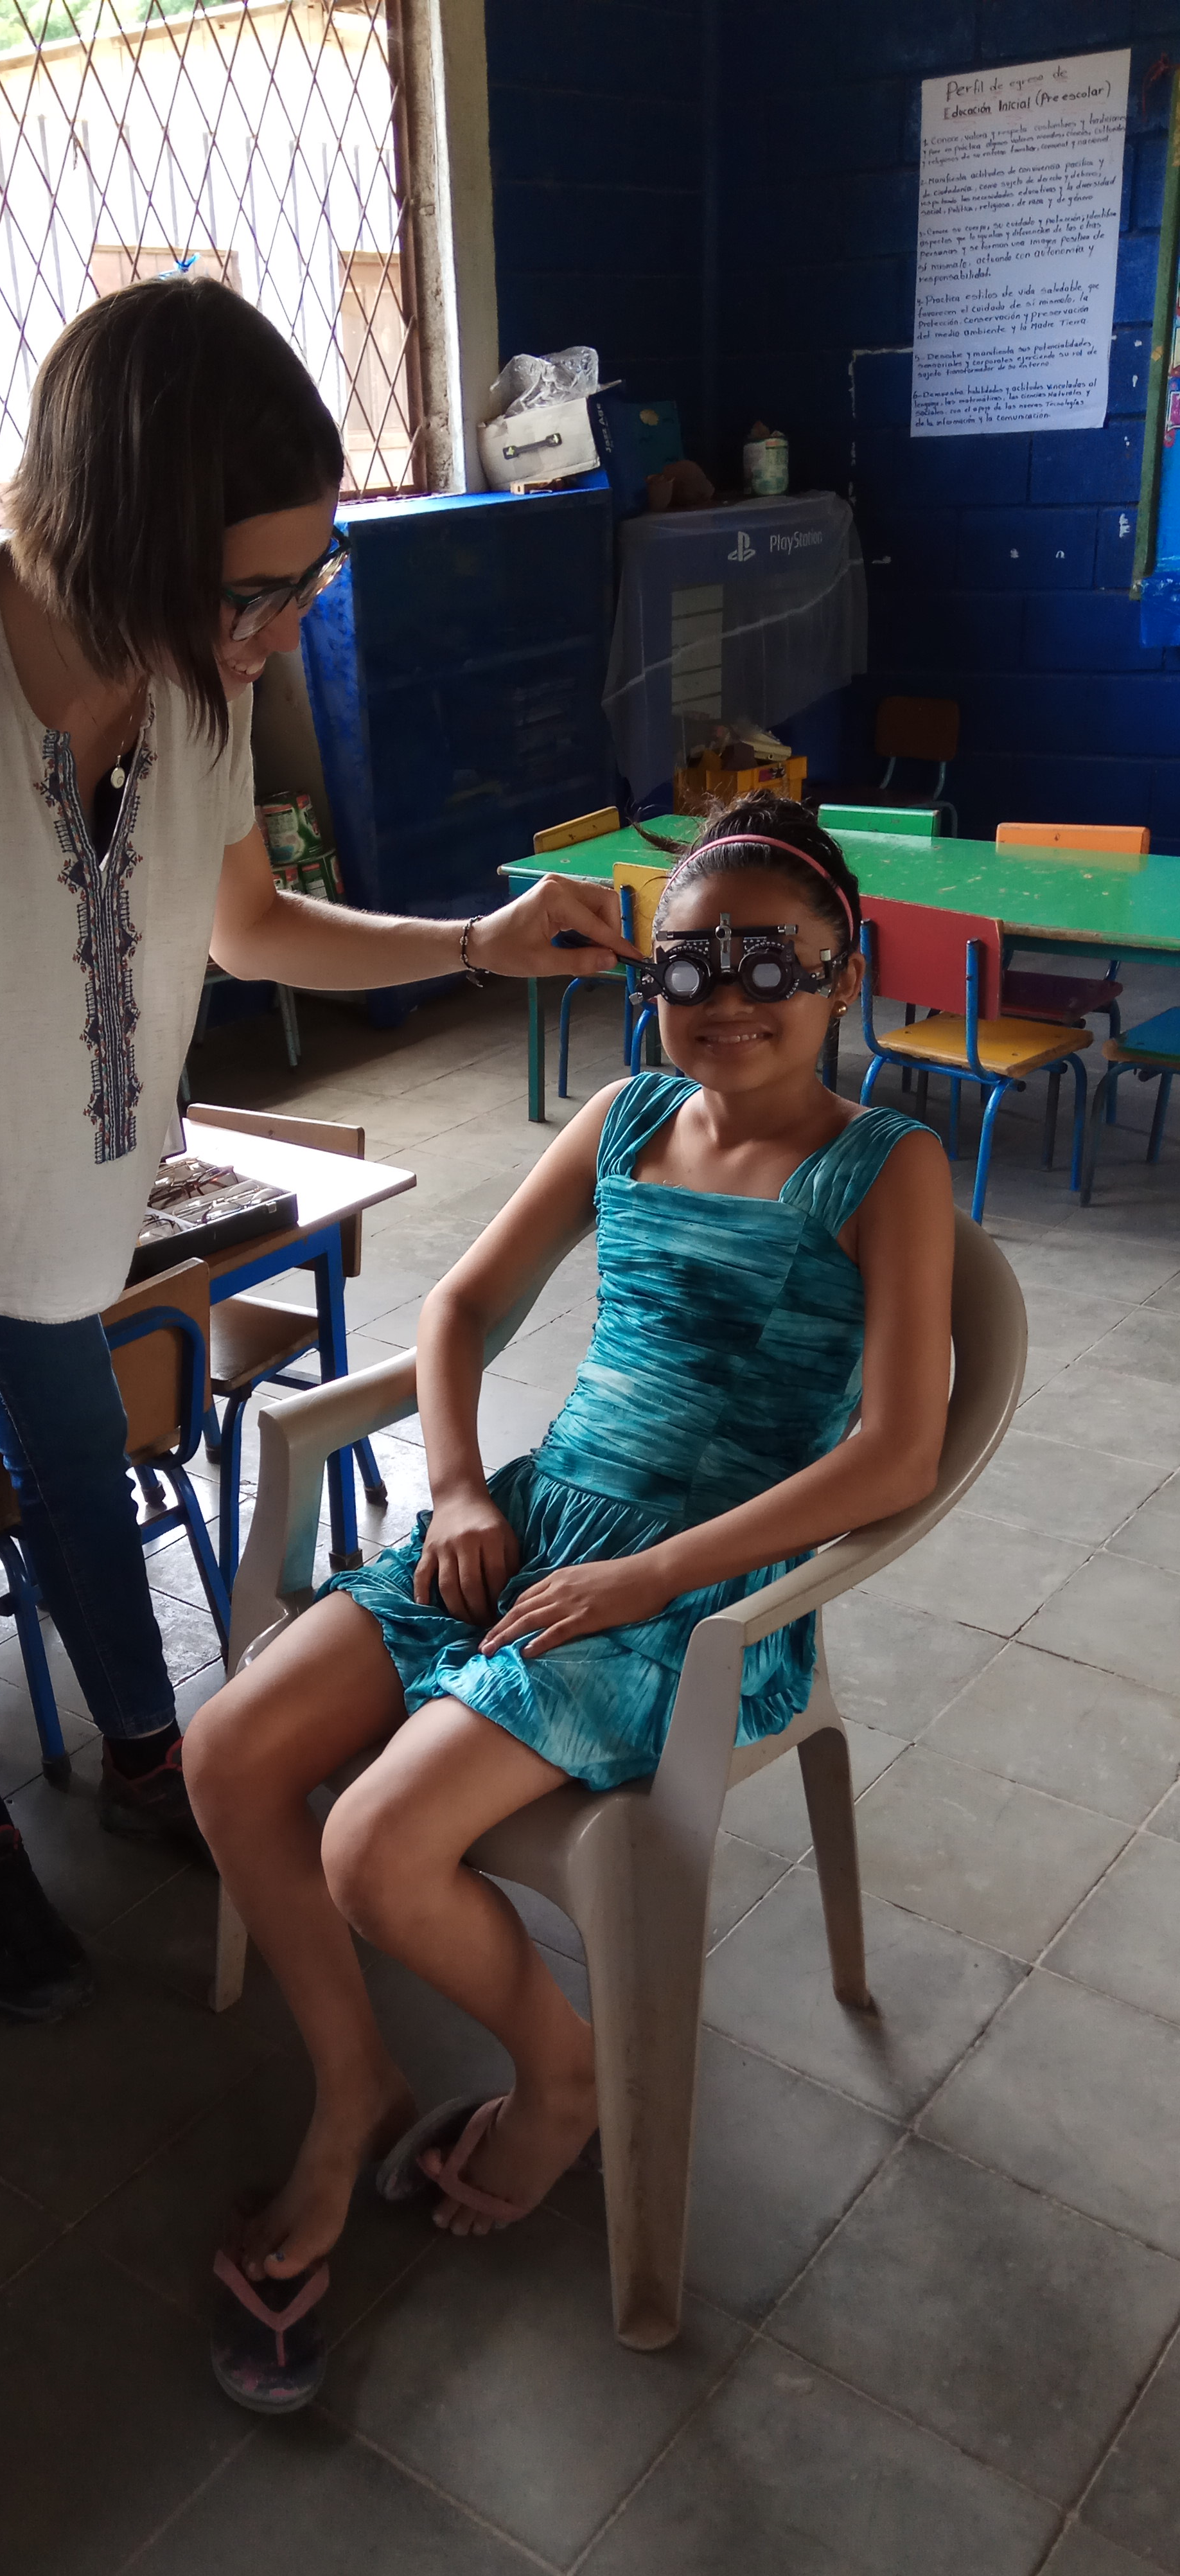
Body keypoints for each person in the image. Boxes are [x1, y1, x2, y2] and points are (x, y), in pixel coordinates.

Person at [0, 278, 625, 2025]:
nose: (282, 630)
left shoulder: (195, 673)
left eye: (307, 580)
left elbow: (248, 926)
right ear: (116, 551)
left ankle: (141, 1749)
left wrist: (475, 944)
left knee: (71, 1421)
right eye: (250, 593)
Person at [186, 794, 956, 2411]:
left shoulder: (881, 1166)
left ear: (842, 973)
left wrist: (653, 1575)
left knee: (371, 1847)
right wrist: (461, 1486)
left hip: (696, 1590)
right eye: (688, 964)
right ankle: (354, 2083)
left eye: (771, 963)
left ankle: (561, 2075)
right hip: (535, 1523)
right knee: (230, 1751)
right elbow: (460, 1307)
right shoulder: (623, 1116)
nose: (726, 998)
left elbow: (893, 1452)